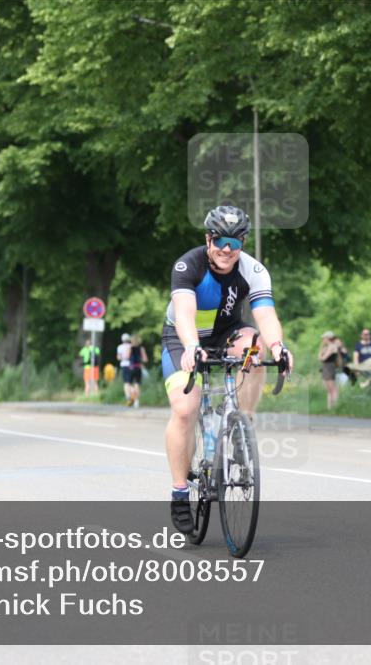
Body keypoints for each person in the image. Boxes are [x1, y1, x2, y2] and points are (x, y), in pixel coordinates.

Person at [161, 205, 291, 533]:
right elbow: (185, 315)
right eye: (221, 241)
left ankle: (242, 420)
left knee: (256, 347)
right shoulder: (188, 265)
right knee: (185, 409)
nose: (227, 250)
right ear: (209, 239)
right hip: (183, 338)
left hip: (226, 334)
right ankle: (179, 492)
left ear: (243, 243)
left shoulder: (253, 270)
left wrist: (279, 347)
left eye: (235, 243)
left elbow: (264, 315)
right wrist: (192, 347)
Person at [318, 331, 346, 409]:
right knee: (328, 389)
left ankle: (335, 406)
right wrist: (322, 348)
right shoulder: (326, 347)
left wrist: (321, 353)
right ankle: (329, 407)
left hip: (330, 368)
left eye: (324, 338)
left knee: (333, 388)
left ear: (328, 338)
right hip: (325, 368)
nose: (323, 340)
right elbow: (319, 357)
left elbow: (323, 358)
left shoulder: (332, 346)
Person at [128, 334, 149, 408]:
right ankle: (136, 401)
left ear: (132, 341)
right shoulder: (141, 348)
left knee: (130, 385)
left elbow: (127, 357)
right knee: (137, 384)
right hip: (139, 368)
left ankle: (132, 399)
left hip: (131, 368)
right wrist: (140, 360)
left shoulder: (130, 348)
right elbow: (145, 359)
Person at [117, 333, 133, 405]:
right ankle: (135, 397)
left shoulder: (120, 347)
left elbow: (118, 358)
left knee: (126, 383)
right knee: (132, 383)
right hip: (132, 366)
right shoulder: (132, 346)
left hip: (124, 365)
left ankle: (129, 398)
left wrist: (123, 357)